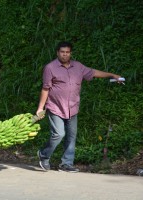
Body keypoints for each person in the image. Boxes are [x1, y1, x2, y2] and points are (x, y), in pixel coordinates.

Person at [36, 41, 123, 172]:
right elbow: (45, 88)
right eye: (62, 52)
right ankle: (43, 154)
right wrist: (40, 108)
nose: (64, 55)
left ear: (70, 53)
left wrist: (112, 75)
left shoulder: (78, 67)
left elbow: (93, 72)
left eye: (67, 52)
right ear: (57, 53)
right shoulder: (50, 68)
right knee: (58, 134)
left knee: (71, 136)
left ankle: (66, 164)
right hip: (56, 107)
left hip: (72, 108)